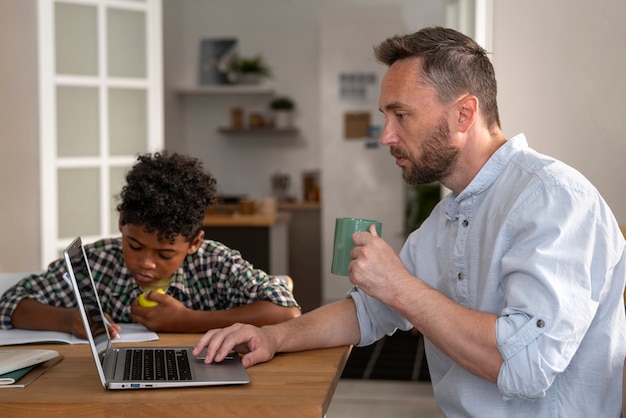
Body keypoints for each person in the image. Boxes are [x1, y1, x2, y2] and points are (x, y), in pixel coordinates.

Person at [192, 27, 626, 417]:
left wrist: (398, 285)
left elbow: (525, 366)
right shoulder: (446, 217)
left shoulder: (554, 199)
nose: (386, 136)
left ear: (464, 114)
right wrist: (274, 337)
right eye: (385, 117)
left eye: (401, 115)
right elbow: (368, 310)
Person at [0, 151, 300, 339]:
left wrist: (188, 321)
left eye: (165, 254)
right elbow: (10, 303)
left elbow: (286, 311)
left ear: (194, 242)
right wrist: (69, 320)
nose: (146, 262)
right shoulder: (98, 261)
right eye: (134, 245)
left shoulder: (215, 264)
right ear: (121, 224)